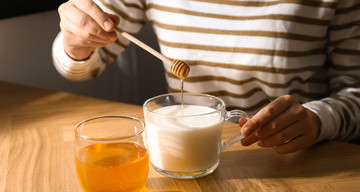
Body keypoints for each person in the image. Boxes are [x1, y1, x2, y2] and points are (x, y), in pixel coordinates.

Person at [52, 0, 360, 154]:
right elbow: (82, 65)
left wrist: (318, 119)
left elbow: (355, 91)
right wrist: (74, 42)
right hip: (185, 153)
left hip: (295, 156)